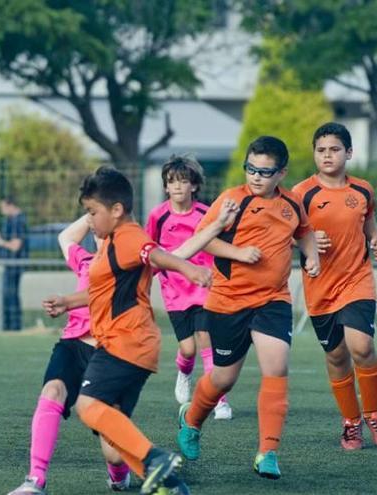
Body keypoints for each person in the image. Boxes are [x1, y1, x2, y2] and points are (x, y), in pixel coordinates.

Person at [43, 166, 241, 495]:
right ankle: (170, 483)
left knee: (87, 406)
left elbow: (157, 254)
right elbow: (104, 291)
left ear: (117, 210)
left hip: (126, 341)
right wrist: (68, 301)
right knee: (113, 431)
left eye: (92, 212)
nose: (89, 220)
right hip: (133, 344)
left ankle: (155, 459)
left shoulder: (129, 235)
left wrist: (188, 269)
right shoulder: (109, 244)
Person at [176, 136, 320, 480]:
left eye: (265, 171)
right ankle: (192, 419)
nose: (256, 177)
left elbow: (305, 231)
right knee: (224, 378)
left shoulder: (292, 203)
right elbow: (203, 240)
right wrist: (238, 253)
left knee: (277, 367)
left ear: (281, 173)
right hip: (228, 302)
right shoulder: (231, 200)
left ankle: (267, 452)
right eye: (250, 169)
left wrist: (311, 254)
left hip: (273, 300)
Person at [8, 214, 131, 495]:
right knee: (52, 391)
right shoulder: (85, 261)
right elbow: (65, 237)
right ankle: (35, 480)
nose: (101, 237)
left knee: (114, 453)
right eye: (98, 231)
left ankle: (118, 474)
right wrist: (91, 215)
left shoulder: (129, 264)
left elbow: (102, 293)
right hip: (73, 346)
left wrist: (65, 302)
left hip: (110, 354)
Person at [292, 122, 377, 450]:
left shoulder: (362, 190)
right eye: (321, 150)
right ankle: (351, 422)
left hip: (357, 279)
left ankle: (375, 413)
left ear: (348, 152)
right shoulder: (301, 193)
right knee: (336, 356)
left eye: (334, 149)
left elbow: (369, 220)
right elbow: (285, 233)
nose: (327, 155)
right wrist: (306, 239)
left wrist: (375, 240)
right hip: (320, 285)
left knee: (361, 346)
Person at [145, 155, 232, 419]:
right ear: (165, 187)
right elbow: (149, 251)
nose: (178, 187)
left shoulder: (207, 214)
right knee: (188, 349)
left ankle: (219, 400)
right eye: (172, 182)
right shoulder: (157, 216)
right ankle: (184, 372)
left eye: (184, 181)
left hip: (205, 288)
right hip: (175, 292)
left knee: (207, 339)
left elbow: (220, 244)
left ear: (194, 185)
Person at [0, 196, 28, 330]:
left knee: (10, 294)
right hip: (8, 264)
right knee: (7, 295)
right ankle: (7, 325)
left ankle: (14, 326)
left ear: (10, 205)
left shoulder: (18, 221)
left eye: (2, 207)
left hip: (14, 265)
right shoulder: (10, 221)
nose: (1, 210)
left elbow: (15, 246)